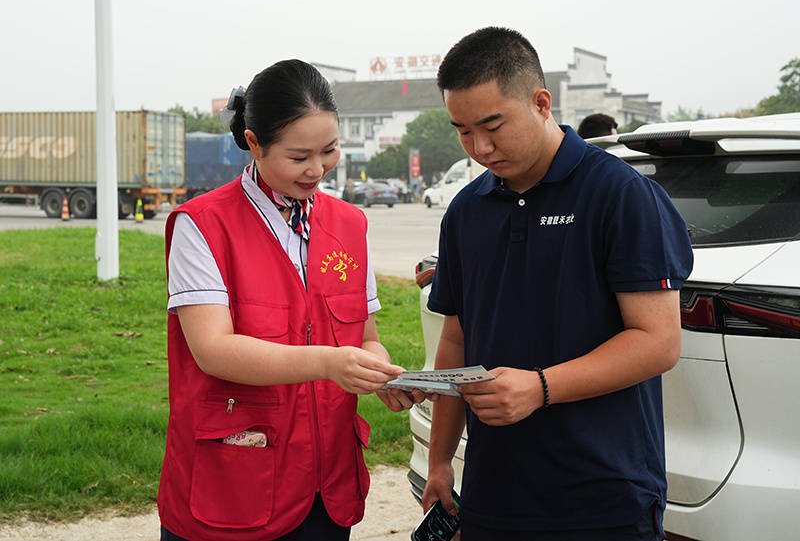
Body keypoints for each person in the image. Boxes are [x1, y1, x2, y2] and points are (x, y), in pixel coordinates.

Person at [421, 28, 693, 540]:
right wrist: (440, 461)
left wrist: (540, 388)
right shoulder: (465, 211)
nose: (479, 147)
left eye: (492, 125)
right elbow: (457, 337)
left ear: (541, 102)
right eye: (462, 130)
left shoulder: (620, 195)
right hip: (494, 496)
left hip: (603, 498)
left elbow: (658, 342)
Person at [158, 59, 420, 541]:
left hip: (326, 485)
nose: (317, 170)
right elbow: (212, 349)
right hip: (234, 485)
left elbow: (364, 337)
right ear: (254, 143)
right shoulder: (203, 225)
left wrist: (377, 372)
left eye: (330, 150)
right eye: (299, 157)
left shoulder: (350, 225)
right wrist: (329, 363)